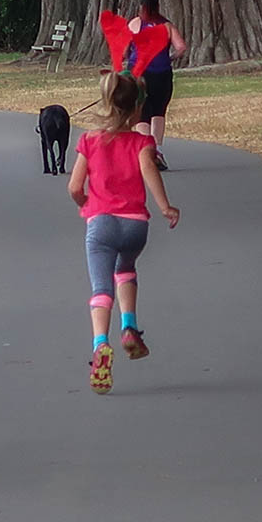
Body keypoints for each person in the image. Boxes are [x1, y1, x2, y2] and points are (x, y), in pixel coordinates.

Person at [67, 70, 180, 395]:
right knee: (126, 269)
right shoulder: (142, 142)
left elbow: (74, 187)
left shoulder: (89, 140)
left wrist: (86, 203)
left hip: (101, 223)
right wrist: (165, 207)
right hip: (135, 225)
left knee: (101, 289)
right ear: (137, 109)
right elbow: (149, 171)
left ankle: (100, 345)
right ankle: (129, 326)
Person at [127, 0, 187, 170]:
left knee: (142, 112)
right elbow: (181, 47)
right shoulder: (167, 26)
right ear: (158, 7)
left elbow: (124, 47)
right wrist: (170, 58)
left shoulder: (135, 24)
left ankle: (146, 149)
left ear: (142, 8)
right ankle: (157, 150)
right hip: (162, 74)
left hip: (139, 73)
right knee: (159, 111)